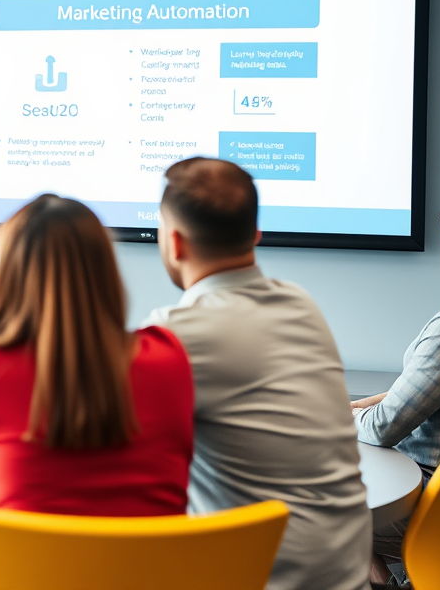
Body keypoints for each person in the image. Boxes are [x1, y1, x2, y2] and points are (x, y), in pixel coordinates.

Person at [145, 157, 371, 590]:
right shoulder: (299, 301)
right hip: (346, 573)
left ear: (174, 242)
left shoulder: (175, 334)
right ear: (255, 235)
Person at [0, 194, 194, 516]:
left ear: (5, 272)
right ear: (106, 271)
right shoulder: (168, 357)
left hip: (25, 567)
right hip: (153, 567)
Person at [352, 177, 440, 585]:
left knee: (301, 505)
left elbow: (384, 428)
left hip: (434, 504)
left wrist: (339, 421)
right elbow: (427, 391)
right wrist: (359, 406)